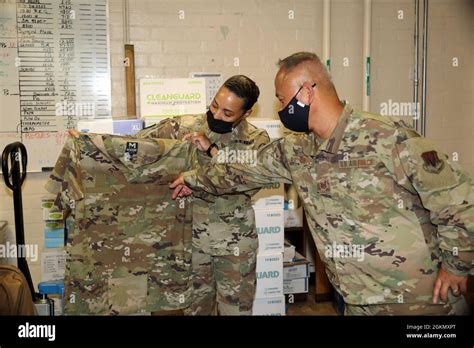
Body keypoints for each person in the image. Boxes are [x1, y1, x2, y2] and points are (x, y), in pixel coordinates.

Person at [171, 52, 473, 315]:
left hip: (418, 300)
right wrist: (193, 179)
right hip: (355, 300)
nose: (279, 108)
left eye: (281, 99)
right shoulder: (296, 150)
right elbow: (242, 170)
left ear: (305, 93)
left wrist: (457, 265)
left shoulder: (387, 137)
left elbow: (459, 201)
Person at [137, 75, 270, 315]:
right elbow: (135, 146)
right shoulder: (182, 126)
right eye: (215, 105)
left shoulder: (257, 141)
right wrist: (89, 142)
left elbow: (244, 181)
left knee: (237, 311)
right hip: (192, 243)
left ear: (247, 113)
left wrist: (212, 150)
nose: (217, 115)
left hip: (235, 247)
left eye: (227, 113)